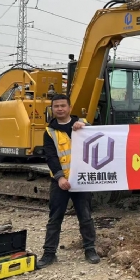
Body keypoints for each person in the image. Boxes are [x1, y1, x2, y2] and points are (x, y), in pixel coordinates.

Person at [36, 93, 100, 268]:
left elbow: (99, 137)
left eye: (63, 106)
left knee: (85, 216)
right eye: (56, 106)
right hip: (60, 182)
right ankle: (49, 253)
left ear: (70, 108)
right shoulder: (49, 132)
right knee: (55, 218)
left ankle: (90, 249)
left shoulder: (82, 124)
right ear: (52, 109)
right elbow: (51, 157)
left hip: (81, 181)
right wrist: (59, 177)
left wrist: (86, 127)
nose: (60, 109)